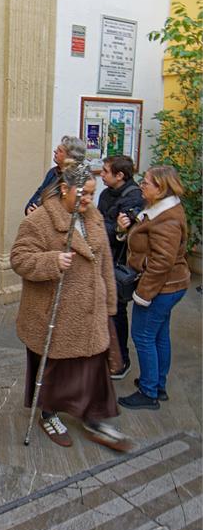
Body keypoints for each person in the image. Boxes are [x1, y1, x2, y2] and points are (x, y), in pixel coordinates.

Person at [11, 163, 131, 451]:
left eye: (93, 193)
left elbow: (103, 262)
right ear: (65, 189)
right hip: (55, 314)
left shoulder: (94, 216)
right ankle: (48, 414)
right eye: (84, 193)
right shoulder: (39, 220)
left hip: (90, 311)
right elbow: (19, 259)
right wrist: (52, 261)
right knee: (55, 370)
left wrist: (109, 304)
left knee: (93, 368)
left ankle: (95, 417)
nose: (89, 200)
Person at [116, 166, 190, 411]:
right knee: (159, 334)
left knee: (143, 335)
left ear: (160, 188)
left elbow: (161, 263)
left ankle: (148, 392)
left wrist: (143, 294)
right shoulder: (161, 209)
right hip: (169, 286)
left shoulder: (167, 217)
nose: (141, 185)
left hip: (161, 288)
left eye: (146, 182)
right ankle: (157, 384)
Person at [98, 156, 143, 380]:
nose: (101, 174)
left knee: (117, 311)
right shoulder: (106, 193)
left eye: (106, 171)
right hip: (104, 257)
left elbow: (122, 233)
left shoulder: (134, 197)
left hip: (119, 263)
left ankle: (120, 359)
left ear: (120, 176)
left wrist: (110, 228)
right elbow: (100, 224)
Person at [25, 135, 86, 214]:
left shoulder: (75, 179)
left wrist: (40, 213)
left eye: (60, 150)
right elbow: (40, 192)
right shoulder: (53, 172)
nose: (55, 151)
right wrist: (29, 208)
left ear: (70, 157)